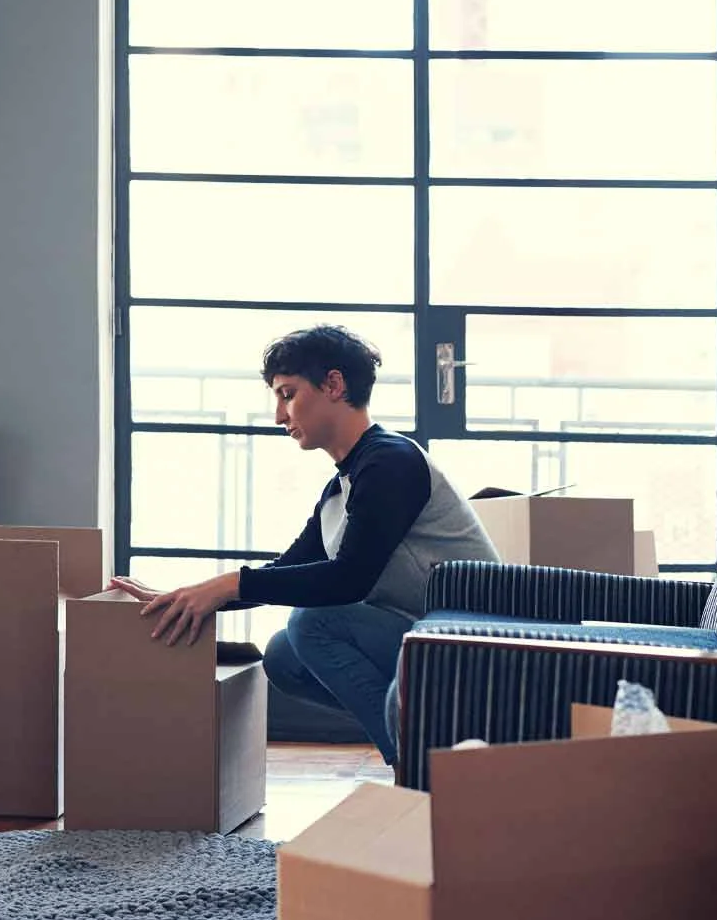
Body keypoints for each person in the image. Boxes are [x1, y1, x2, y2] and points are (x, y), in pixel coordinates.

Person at [109, 325, 498, 765]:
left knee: (313, 624)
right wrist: (191, 597)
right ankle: (426, 737)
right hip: (424, 636)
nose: (279, 415)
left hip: (477, 650)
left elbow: (348, 580)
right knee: (284, 655)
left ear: (333, 385)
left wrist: (227, 586)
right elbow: (289, 569)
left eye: (288, 394)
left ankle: (417, 768)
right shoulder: (345, 484)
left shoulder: (392, 462)